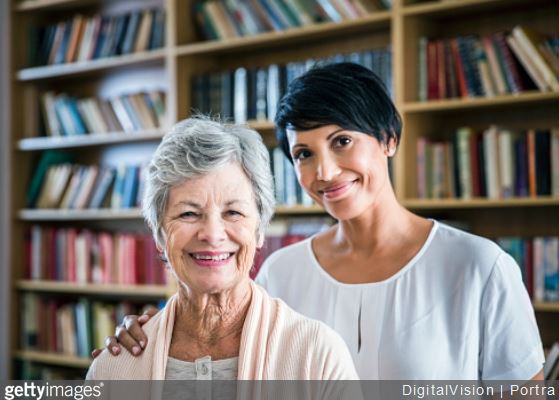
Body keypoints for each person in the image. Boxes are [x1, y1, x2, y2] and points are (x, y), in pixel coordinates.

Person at [96, 63, 544, 381]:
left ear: (389, 138)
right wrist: (147, 343)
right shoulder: (281, 271)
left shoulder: (479, 267)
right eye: (303, 154)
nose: (324, 172)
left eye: (342, 141)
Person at [86, 117, 358, 380]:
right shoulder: (113, 368)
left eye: (233, 212)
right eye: (189, 214)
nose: (212, 235)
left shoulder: (319, 355)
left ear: (260, 229)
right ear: (159, 233)